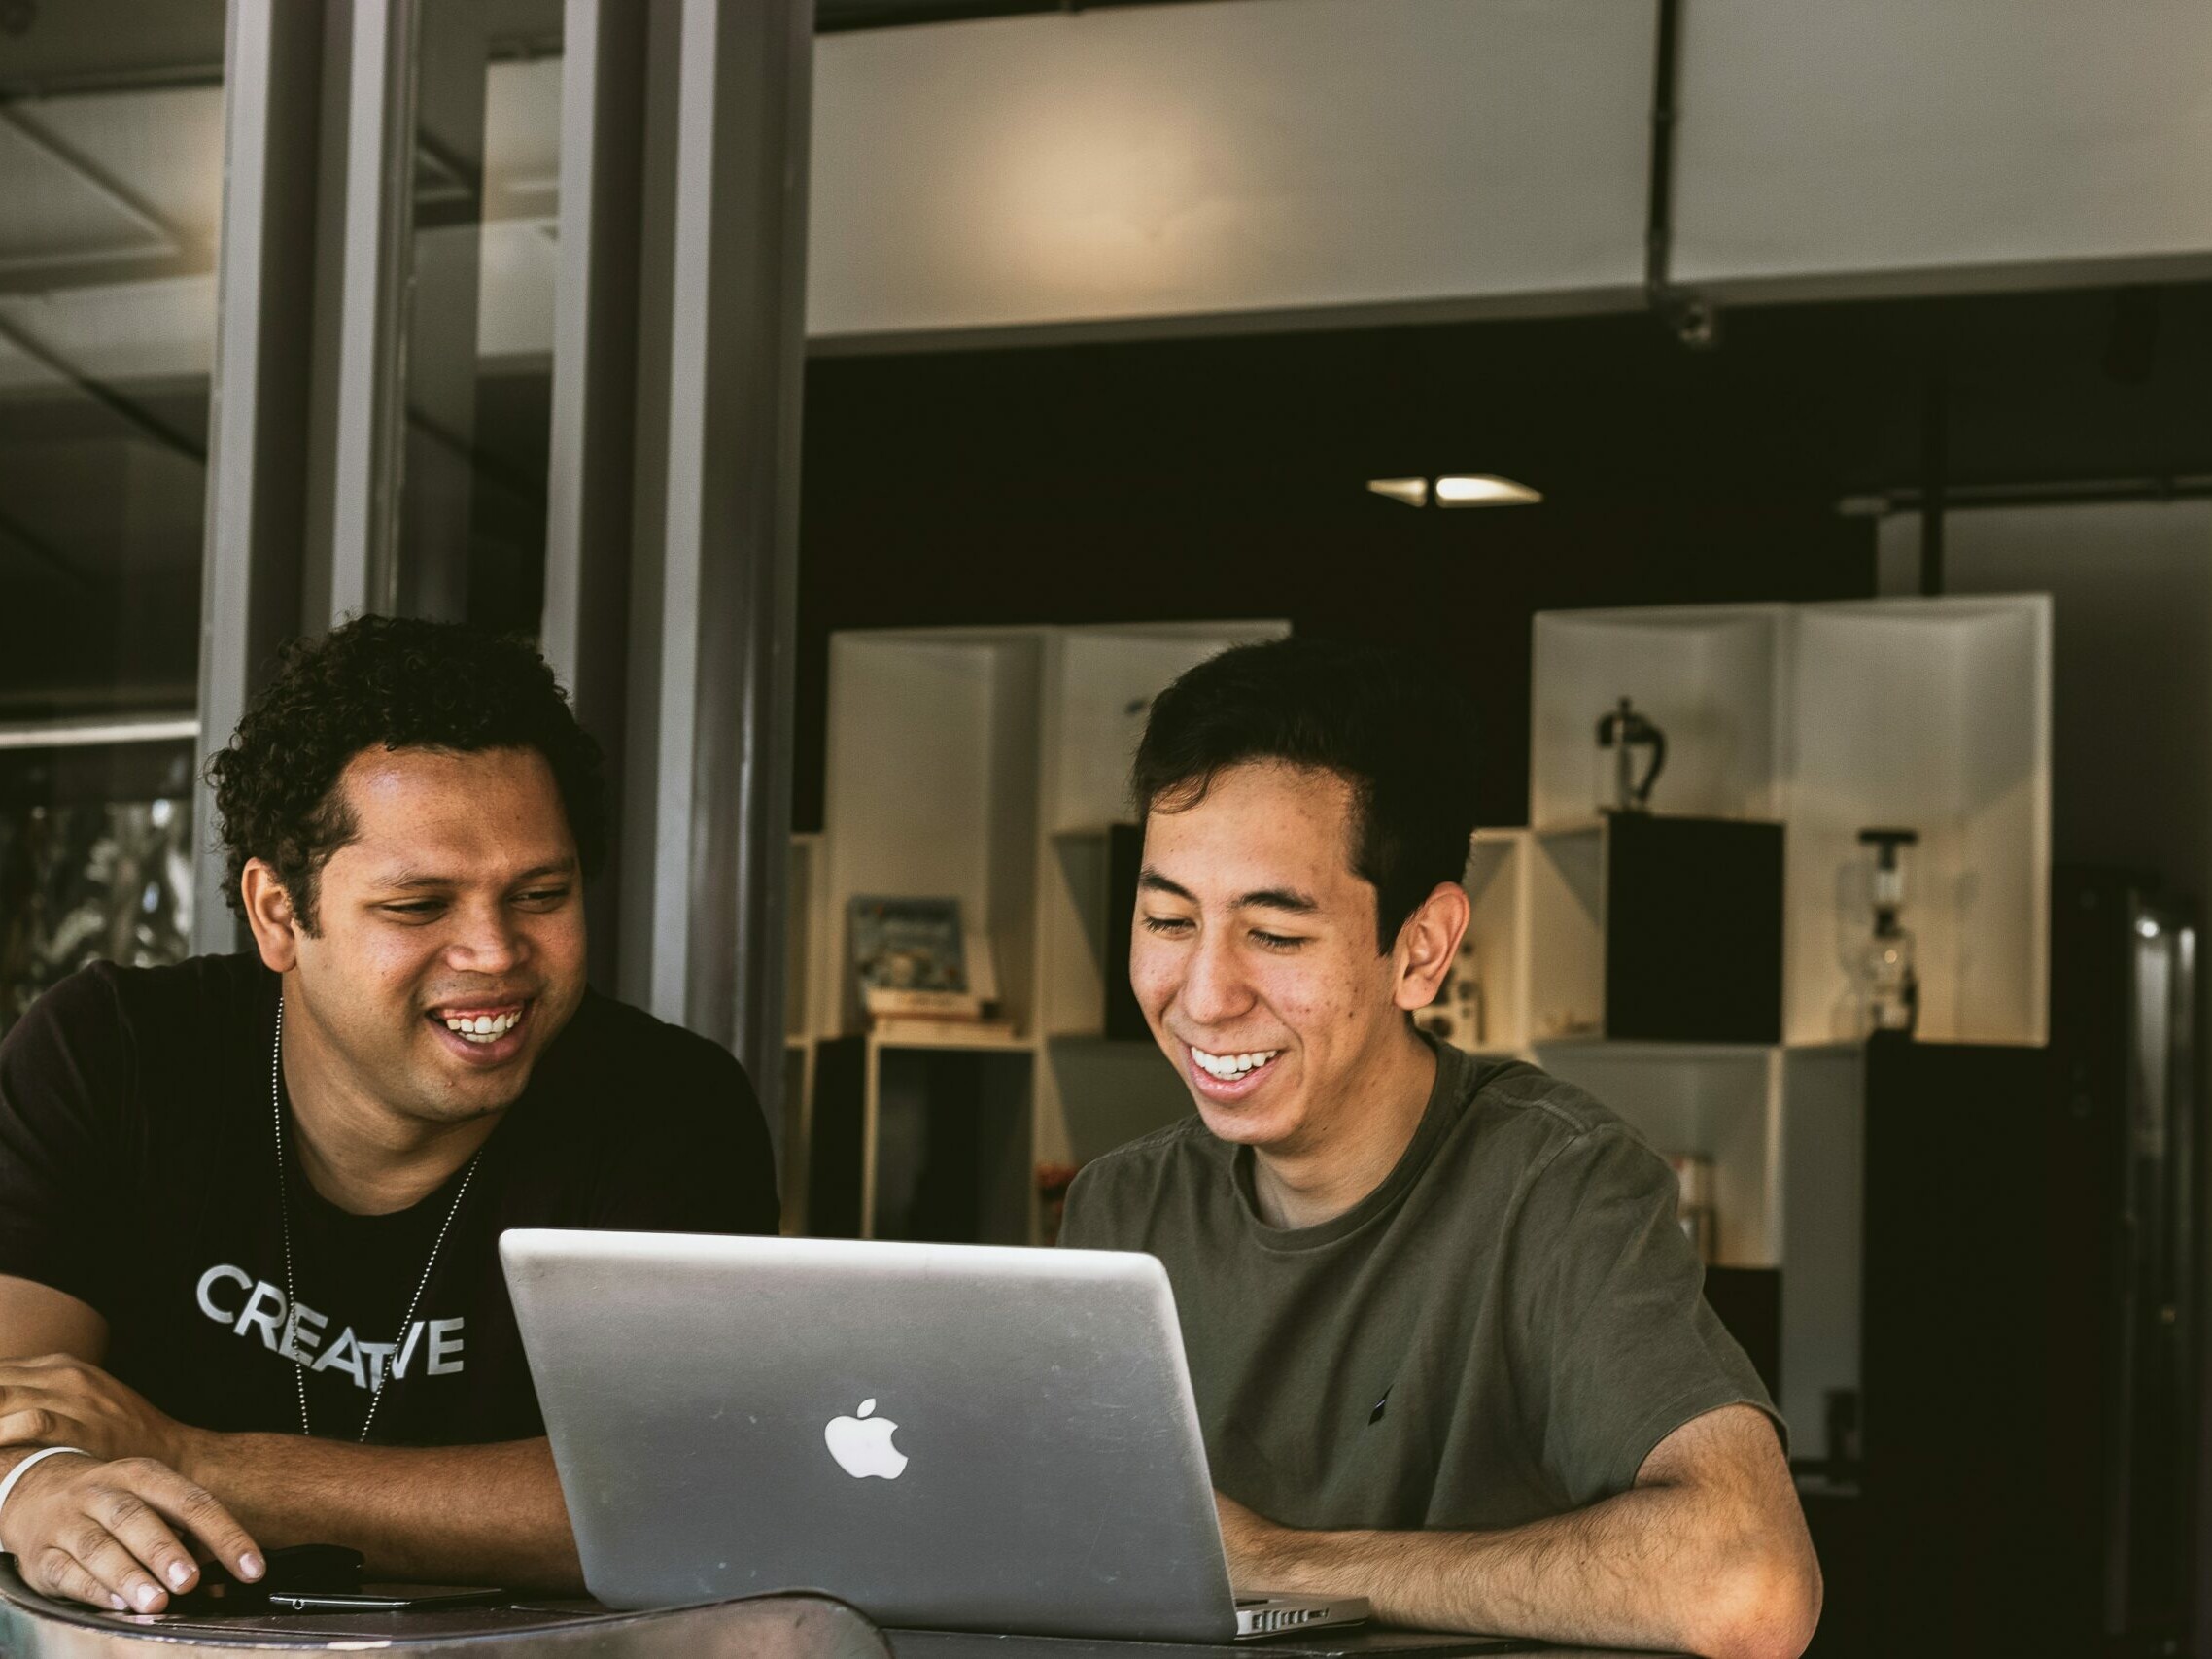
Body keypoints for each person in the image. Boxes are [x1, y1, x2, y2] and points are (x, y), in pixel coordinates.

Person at [1058, 638, 1822, 1659]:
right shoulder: (1120, 1207)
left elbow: (1749, 1584)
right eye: (1164, 919)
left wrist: (1288, 1564)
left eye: (1274, 936)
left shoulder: (1557, 1187)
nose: (1202, 996)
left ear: (1419, 950)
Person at [0, 616, 780, 1614]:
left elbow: (680, 1495)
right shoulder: (111, 1054)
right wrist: (34, 1488)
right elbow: (19, 1407)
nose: (495, 953)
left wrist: (191, 1459)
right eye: (420, 907)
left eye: (541, 893)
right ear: (280, 914)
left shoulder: (669, 1108)